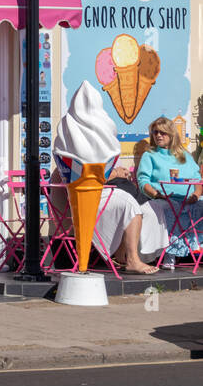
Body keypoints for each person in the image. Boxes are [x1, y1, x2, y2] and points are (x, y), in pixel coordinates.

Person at [48, 165, 163, 274]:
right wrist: (115, 173)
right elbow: (85, 178)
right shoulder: (66, 161)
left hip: (89, 201)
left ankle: (129, 254)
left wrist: (115, 173)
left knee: (147, 207)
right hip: (78, 210)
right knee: (129, 204)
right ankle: (132, 259)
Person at [136, 116, 201, 269]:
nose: (158, 135)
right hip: (163, 197)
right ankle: (169, 254)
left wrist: (196, 195)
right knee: (168, 208)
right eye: (155, 132)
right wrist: (157, 194)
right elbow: (143, 181)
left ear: (172, 135)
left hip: (189, 198)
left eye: (163, 132)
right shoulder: (150, 155)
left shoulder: (185, 155)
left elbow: (198, 180)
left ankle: (197, 248)